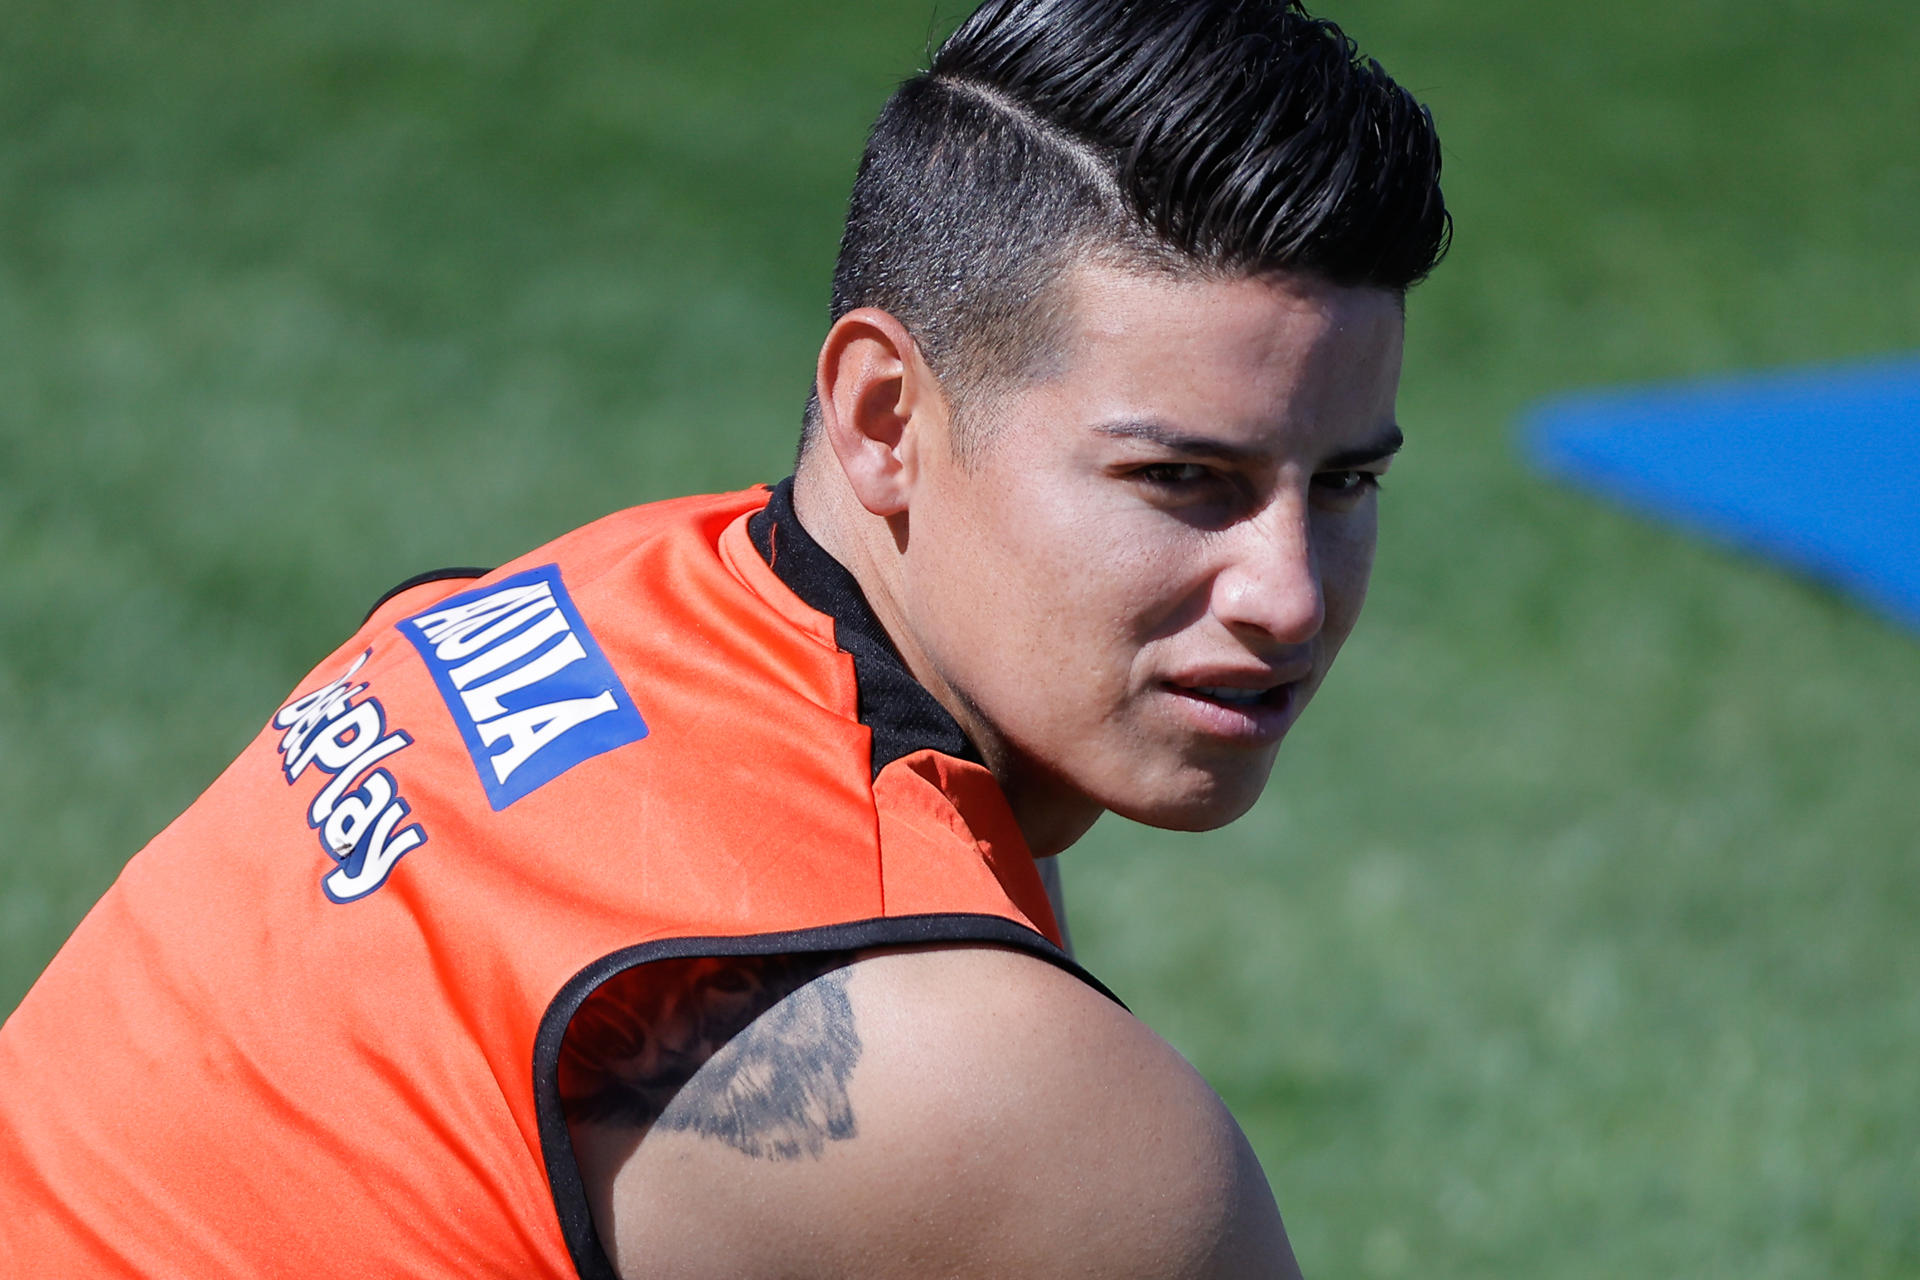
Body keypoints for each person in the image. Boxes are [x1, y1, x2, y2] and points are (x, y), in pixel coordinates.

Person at [0, 0, 1448, 1275]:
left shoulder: (594, 590)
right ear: (886, 417)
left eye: (1345, 484)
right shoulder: (1006, 1097)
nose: (1290, 596)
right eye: (1183, 480)